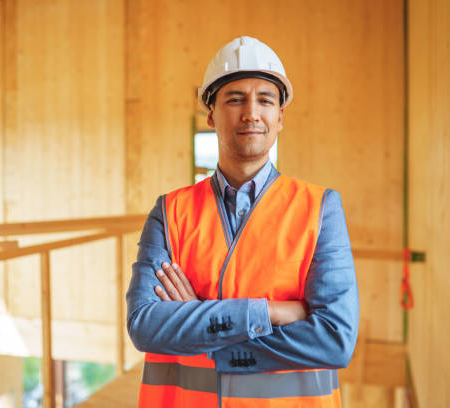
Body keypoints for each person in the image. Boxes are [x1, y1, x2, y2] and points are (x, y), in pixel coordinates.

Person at [126, 36, 359, 408]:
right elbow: (145, 326)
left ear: (280, 117)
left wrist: (199, 320)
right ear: (211, 114)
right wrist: (269, 311)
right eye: (235, 99)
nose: (251, 112)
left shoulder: (320, 208)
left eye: (265, 100)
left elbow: (334, 340)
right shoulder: (169, 212)